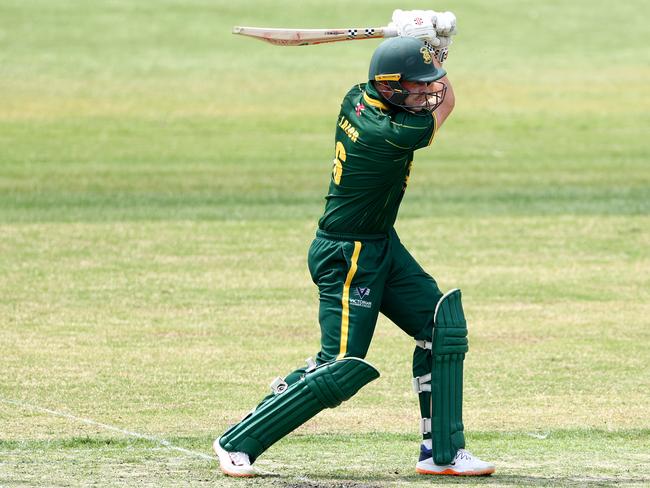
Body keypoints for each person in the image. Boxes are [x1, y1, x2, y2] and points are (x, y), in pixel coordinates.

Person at [214, 9, 495, 478]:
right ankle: (237, 440)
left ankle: (442, 452)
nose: (429, 93)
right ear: (389, 87)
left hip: (379, 242)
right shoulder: (390, 132)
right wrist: (436, 46)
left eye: (428, 83)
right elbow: (448, 106)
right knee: (341, 365)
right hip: (346, 254)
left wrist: (431, 49)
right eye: (419, 85)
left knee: (440, 329)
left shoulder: (356, 96)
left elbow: (434, 89)